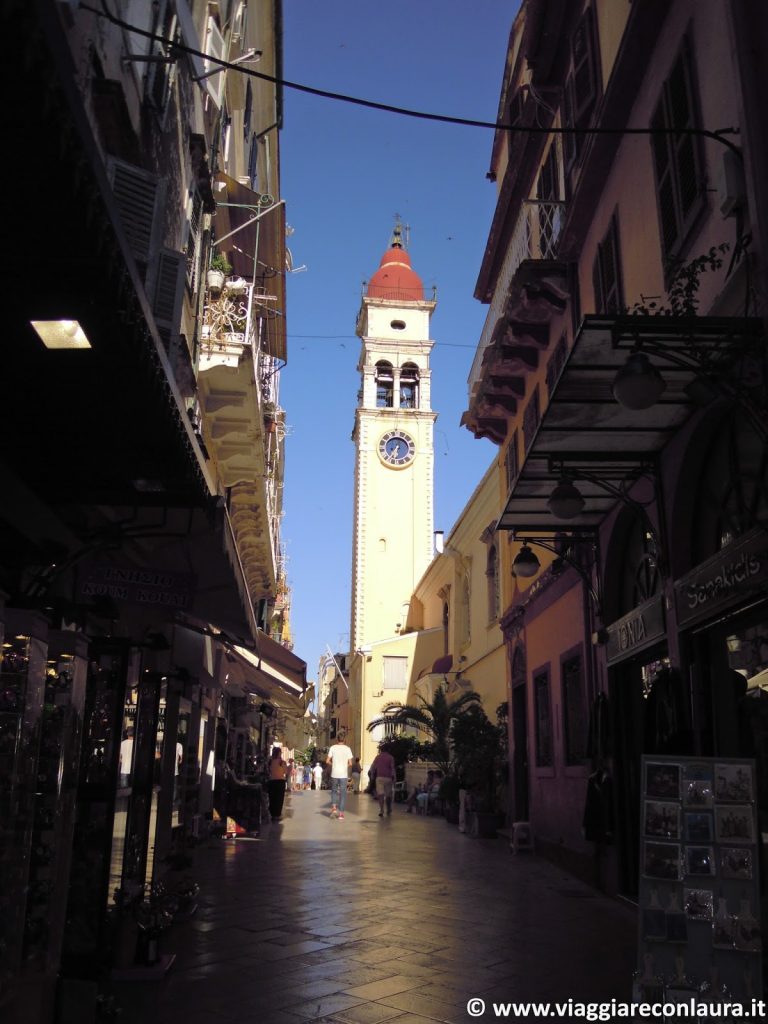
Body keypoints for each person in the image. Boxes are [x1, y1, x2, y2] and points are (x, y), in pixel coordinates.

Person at [326, 734, 353, 819]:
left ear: (337, 740)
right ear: (344, 740)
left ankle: (334, 809)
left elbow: (327, 761)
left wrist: (333, 764)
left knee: (334, 791)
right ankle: (341, 813)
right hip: (343, 774)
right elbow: (350, 763)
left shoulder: (333, 748)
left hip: (334, 773)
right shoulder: (347, 749)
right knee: (343, 793)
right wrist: (344, 766)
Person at [370, 744, 396, 817]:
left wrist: (372, 775)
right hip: (388, 778)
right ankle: (388, 809)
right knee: (388, 795)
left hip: (379, 778)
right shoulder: (390, 757)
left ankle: (381, 810)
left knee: (380, 794)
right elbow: (392, 768)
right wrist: (394, 777)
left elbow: (373, 767)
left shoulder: (377, 757)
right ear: (388, 749)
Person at [267, 745, 288, 821]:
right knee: (279, 799)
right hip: (280, 781)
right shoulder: (282, 762)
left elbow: (268, 770)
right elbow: (285, 772)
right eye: (280, 752)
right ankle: (277, 815)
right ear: (279, 753)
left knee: (272, 798)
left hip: (271, 781)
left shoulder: (270, 761)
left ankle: (272, 814)